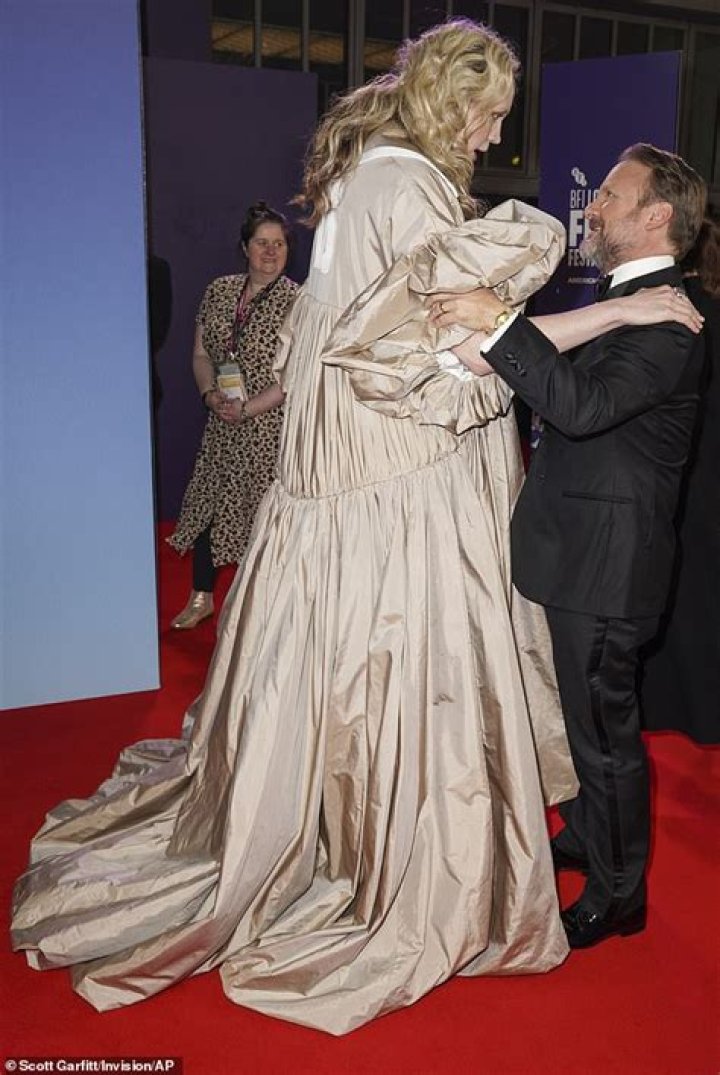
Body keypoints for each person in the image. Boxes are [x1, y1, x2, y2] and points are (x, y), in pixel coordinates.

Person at [11, 29, 703, 1034]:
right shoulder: (407, 185)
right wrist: (605, 318)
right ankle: (399, 852)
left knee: (351, 668)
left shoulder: (365, 176)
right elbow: (449, 361)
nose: (497, 135)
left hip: (343, 479)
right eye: (492, 114)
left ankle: (344, 826)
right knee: (410, 663)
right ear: (453, 101)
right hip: (398, 479)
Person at [429, 143, 707, 950]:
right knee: (582, 718)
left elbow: (580, 408)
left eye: (612, 194)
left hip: (607, 569)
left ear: (657, 215)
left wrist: (498, 321)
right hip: (575, 553)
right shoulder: (625, 301)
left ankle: (621, 894)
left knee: (605, 735)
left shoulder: (671, 319)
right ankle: (588, 831)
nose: (595, 205)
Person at [167, 202, 298, 629]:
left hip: (268, 429)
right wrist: (210, 396)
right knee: (210, 503)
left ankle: (257, 610)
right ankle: (201, 597)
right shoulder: (219, 291)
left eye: (279, 244)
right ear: (245, 248)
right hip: (223, 421)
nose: (271, 251)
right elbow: (201, 354)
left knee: (260, 517)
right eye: (262, 243)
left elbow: (293, 378)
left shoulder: (299, 302)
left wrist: (248, 408)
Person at [641, 213, 720, 745]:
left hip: (678, 469)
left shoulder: (667, 313)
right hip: (709, 472)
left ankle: (669, 706)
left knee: (675, 589)